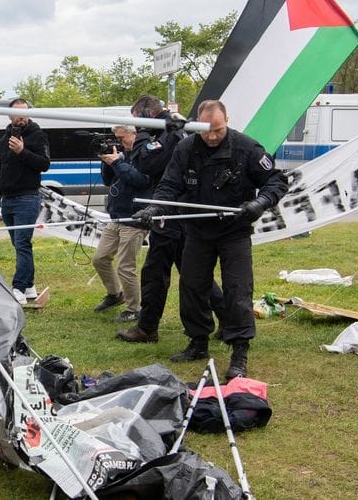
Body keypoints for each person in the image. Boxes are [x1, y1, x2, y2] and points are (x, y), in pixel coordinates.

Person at [132, 100, 288, 379]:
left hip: (234, 231)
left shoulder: (247, 148)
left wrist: (261, 203)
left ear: (227, 120)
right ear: (197, 125)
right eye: (207, 131)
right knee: (192, 288)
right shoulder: (185, 148)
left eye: (218, 130)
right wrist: (154, 209)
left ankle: (239, 351)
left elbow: (276, 181)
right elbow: (170, 185)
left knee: (237, 290)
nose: (212, 136)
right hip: (197, 230)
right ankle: (197, 342)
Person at [117, 95, 227, 343]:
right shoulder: (172, 129)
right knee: (191, 272)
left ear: (146, 115)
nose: (135, 126)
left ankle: (147, 327)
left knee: (157, 272)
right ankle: (227, 318)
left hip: (172, 213)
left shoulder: (169, 131)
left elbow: (145, 163)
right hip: (172, 211)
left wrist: (144, 131)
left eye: (137, 120)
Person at [0, 98, 51, 305]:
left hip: (28, 197)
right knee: (18, 244)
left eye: (25, 112)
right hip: (8, 198)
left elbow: (44, 164)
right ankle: (30, 286)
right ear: (9, 115)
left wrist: (22, 152)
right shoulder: (3, 138)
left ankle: (19, 287)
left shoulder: (37, 135)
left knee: (23, 243)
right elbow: (0, 168)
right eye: (18, 113)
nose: (22, 117)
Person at [91, 125, 149, 323]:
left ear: (134, 135)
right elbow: (108, 181)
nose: (120, 143)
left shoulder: (146, 154)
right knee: (100, 258)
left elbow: (140, 181)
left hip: (135, 218)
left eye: (122, 138)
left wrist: (118, 163)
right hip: (116, 216)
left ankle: (134, 308)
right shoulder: (121, 155)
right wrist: (107, 161)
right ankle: (116, 294)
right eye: (116, 139)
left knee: (125, 266)